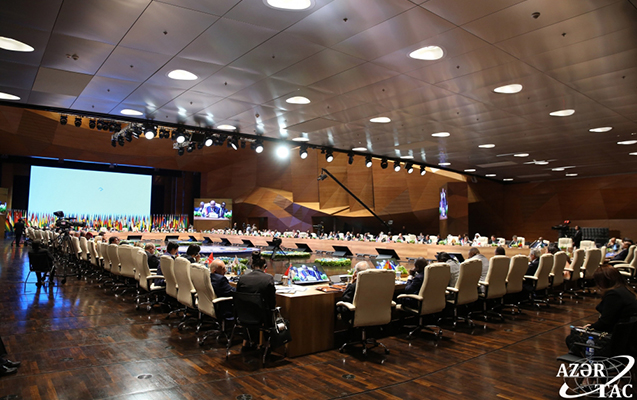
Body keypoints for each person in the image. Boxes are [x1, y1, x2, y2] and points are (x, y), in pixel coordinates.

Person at [566, 266, 637, 356]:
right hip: (627, 339)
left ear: (603, 282)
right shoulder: (627, 290)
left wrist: (590, 328)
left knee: (571, 338)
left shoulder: (613, 295)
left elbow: (605, 323)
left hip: (614, 342)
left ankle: (589, 362)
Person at [236, 252, 276, 350]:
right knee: (270, 313)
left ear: (252, 266)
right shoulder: (268, 278)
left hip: (242, 316)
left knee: (248, 307)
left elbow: (238, 297)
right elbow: (272, 302)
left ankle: (246, 342)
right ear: (264, 266)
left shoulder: (242, 278)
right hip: (261, 318)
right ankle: (267, 344)